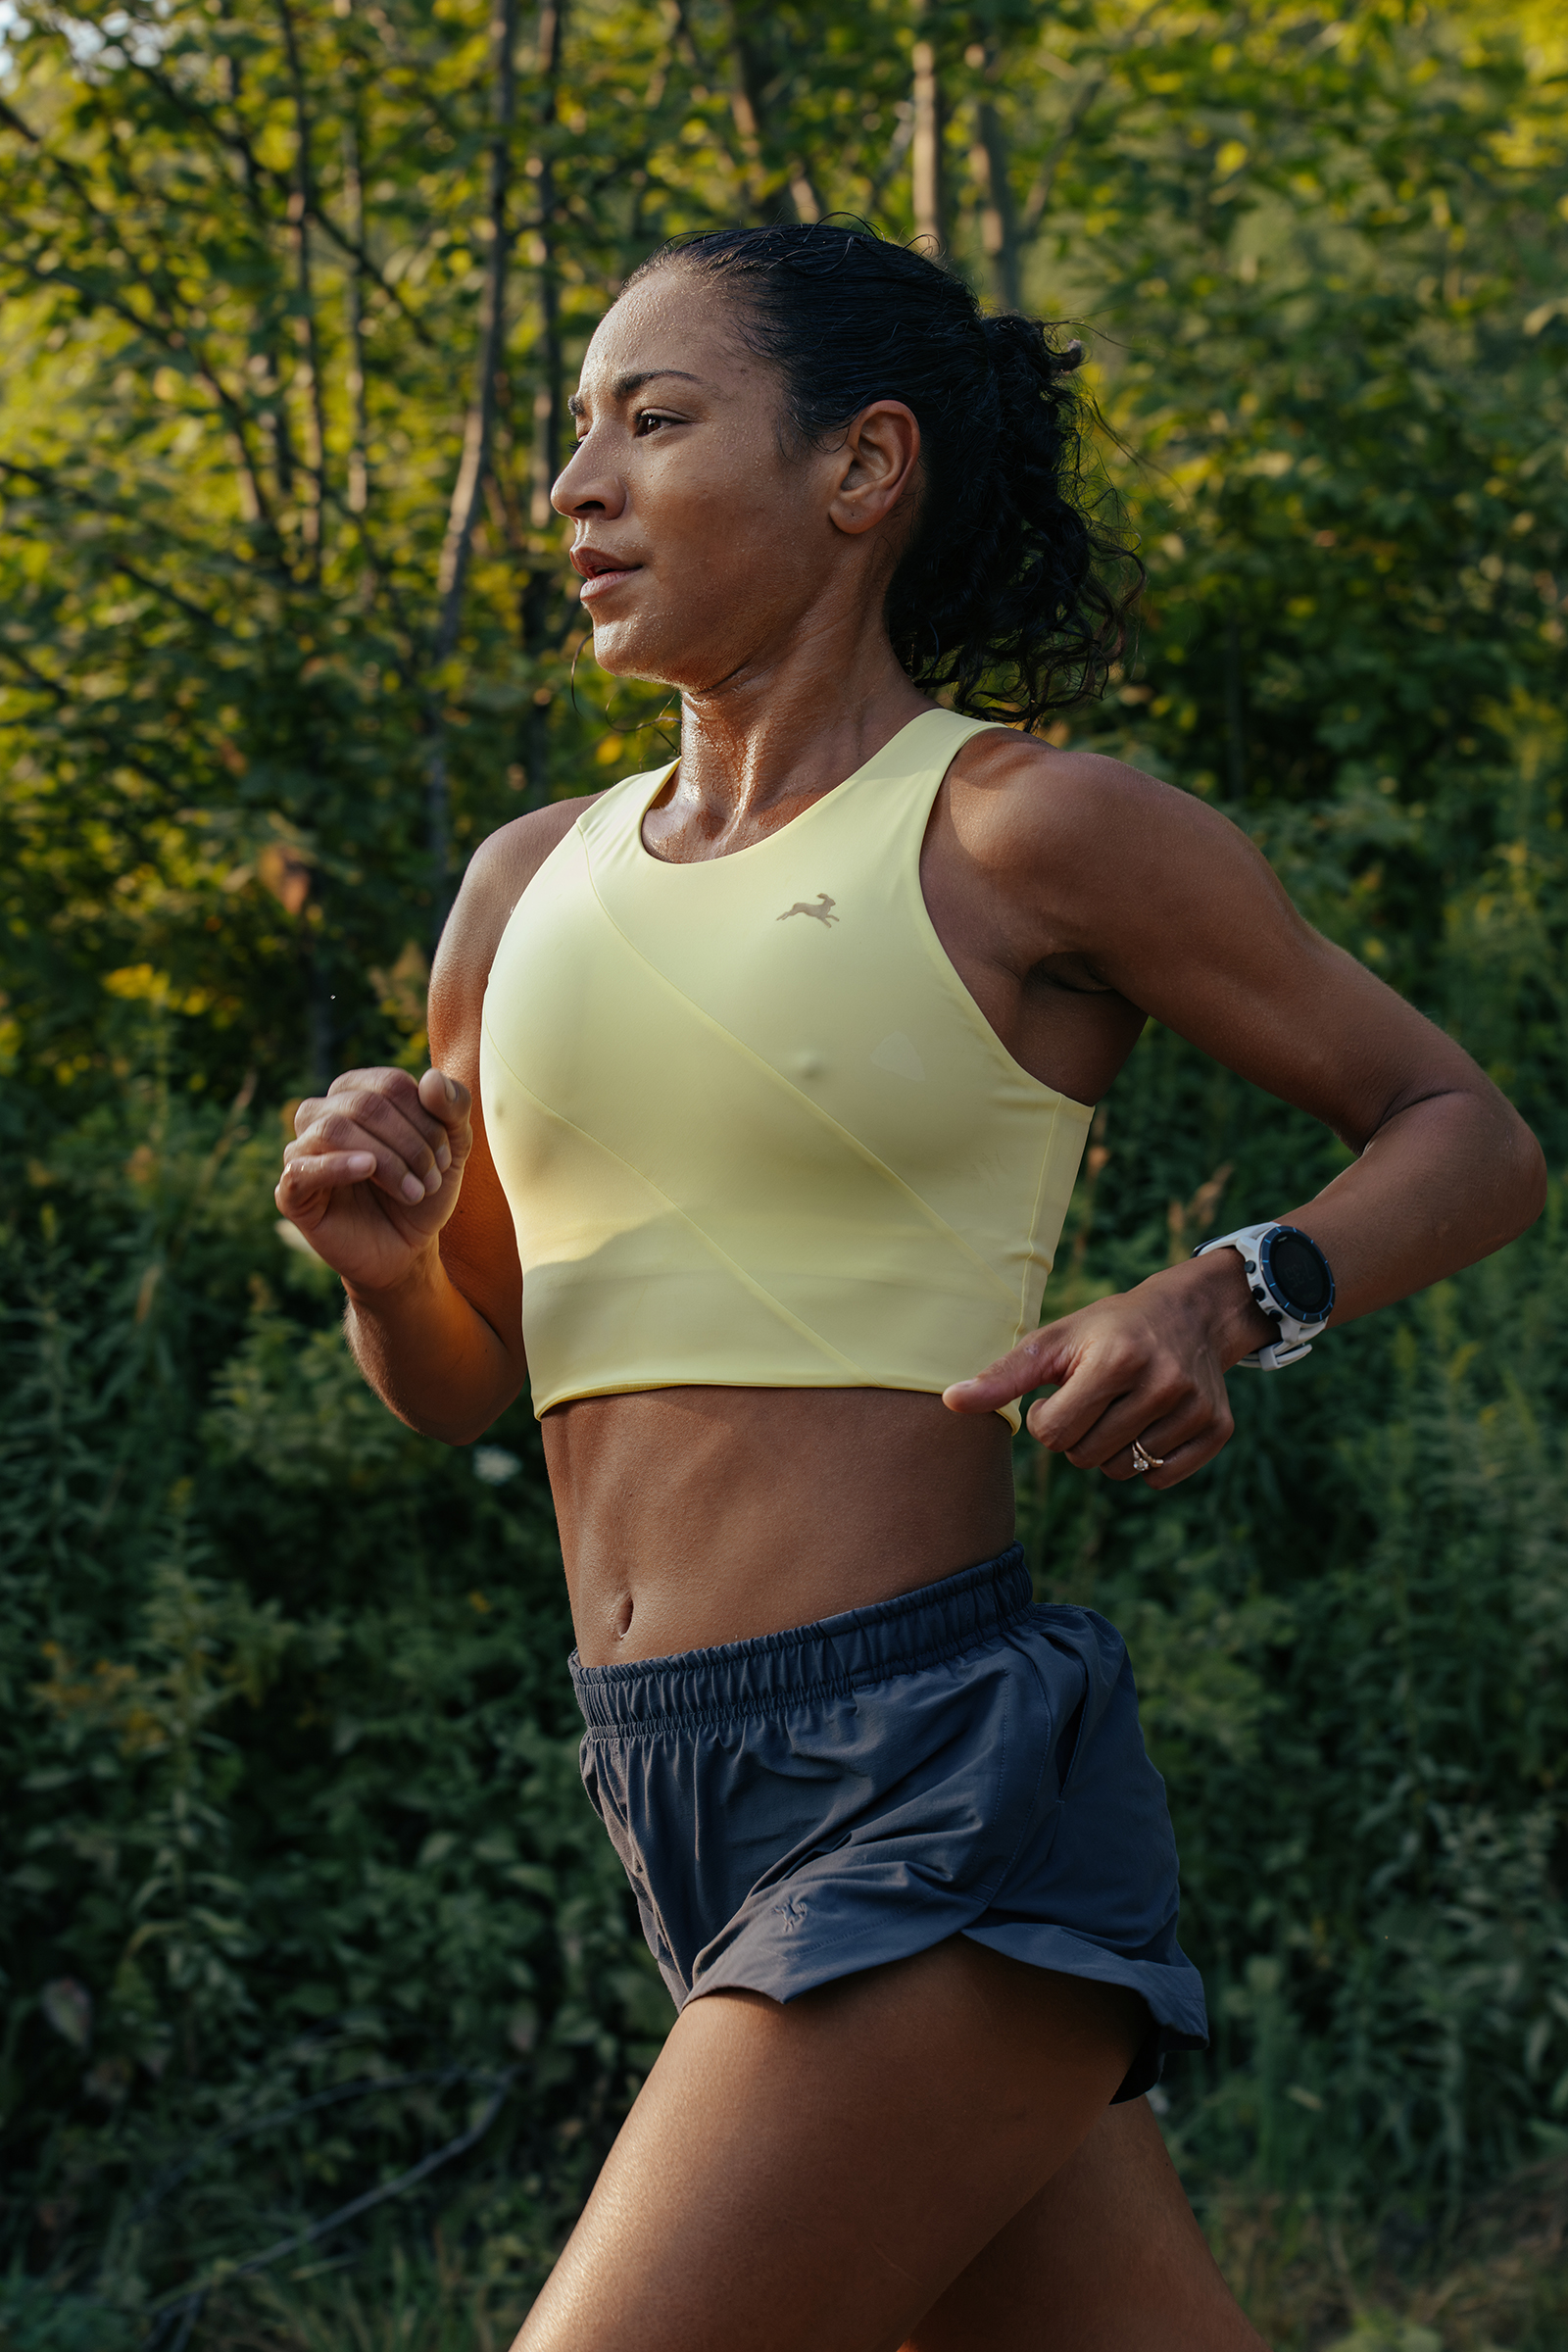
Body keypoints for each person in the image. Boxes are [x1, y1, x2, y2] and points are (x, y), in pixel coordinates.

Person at [275, 224, 1544, 2351]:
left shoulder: (1018, 831)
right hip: (666, 1781)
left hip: (927, 1779)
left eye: (654, 421)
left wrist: (1215, 1298)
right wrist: (388, 1274)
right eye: (577, 430)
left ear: (861, 468)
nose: (576, 486)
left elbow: (1465, 1133)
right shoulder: (520, 888)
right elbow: (462, 1379)